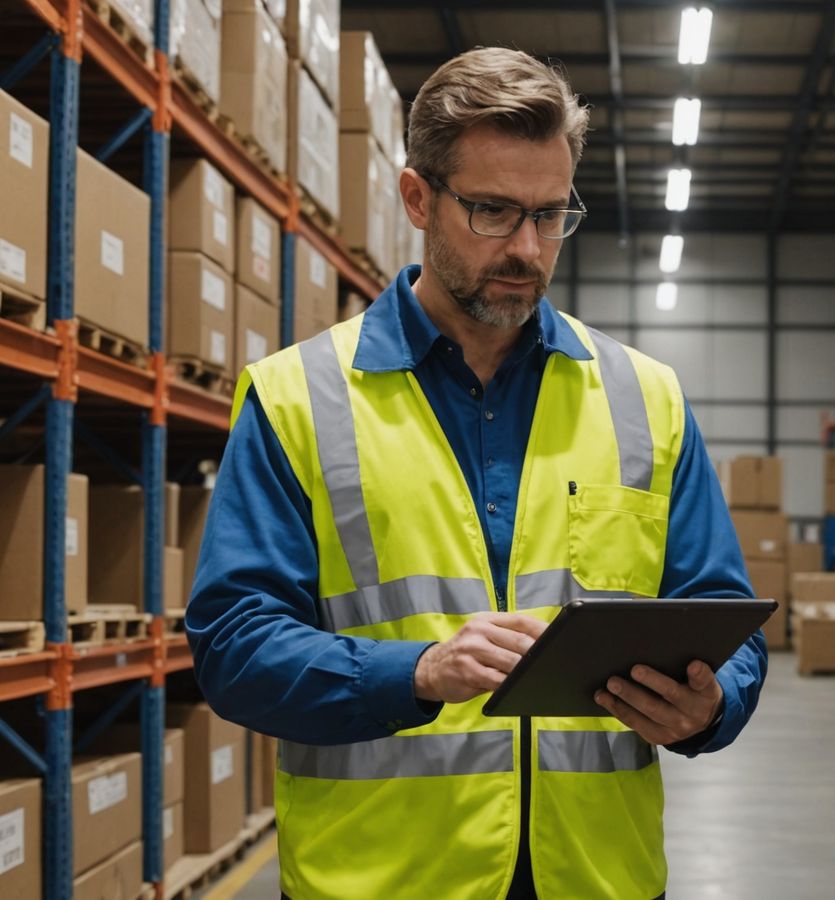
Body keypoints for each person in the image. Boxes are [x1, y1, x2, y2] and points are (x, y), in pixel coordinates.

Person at [186, 46, 767, 900]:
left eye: (550, 214)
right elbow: (233, 645)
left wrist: (713, 706)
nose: (528, 248)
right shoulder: (297, 398)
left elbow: (727, 621)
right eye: (493, 212)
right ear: (417, 197)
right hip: (383, 880)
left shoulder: (646, 398)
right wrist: (413, 672)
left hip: (596, 876)